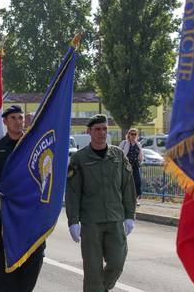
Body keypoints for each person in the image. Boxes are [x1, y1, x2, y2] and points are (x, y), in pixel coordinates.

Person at [0, 105, 45, 292]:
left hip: (29, 213)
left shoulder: (31, 144)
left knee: (34, 257)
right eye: (13, 118)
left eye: (20, 118)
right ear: (4, 121)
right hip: (4, 213)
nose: (18, 121)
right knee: (6, 261)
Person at [65, 114, 137, 292]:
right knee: (92, 270)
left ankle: (98, 289)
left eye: (104, 129)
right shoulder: (79, 159)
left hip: (115, 219)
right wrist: (73, 221)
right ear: (89, 131)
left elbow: (128, 187)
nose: (101, 133)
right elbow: (73, 192)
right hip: (91, 222)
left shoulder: (118, 155)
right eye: (97, 129)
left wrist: (130, 216)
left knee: (117, 261)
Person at [119, 129, 144, 205]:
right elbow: (119, 153)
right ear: (128, 135)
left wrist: (141, 159)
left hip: (135, 166)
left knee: (137, 182)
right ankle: (123, 199)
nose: (133, 136)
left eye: (135, 134)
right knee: (126, 183)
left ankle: (135, 199)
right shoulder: (124, 143)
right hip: (126, 166)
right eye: (131, 134)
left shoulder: (138, 144)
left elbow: (141, 156)